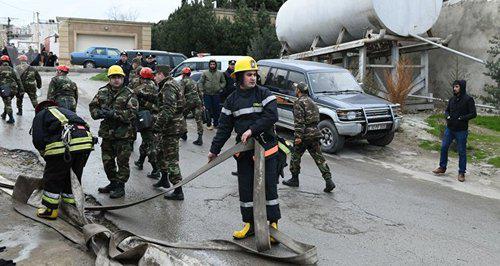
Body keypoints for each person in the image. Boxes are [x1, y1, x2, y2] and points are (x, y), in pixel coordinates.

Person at [208, 56, 280, 240]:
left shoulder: (264, 94)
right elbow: (224, 127)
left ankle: (273, 225)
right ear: (238, 77)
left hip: (267, 150)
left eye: (255, 74)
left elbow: (272, 116)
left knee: (269, 188)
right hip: (245, 153)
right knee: (246, 188)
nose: (253, 78)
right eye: (249, 75)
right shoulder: (232, 100)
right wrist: (214, 150)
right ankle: (250, 225)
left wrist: (251, 130)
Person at [32, 100, 94, 220]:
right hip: (85, 144)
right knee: (72, 177)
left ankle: (50, 210)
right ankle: (70, 206)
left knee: (53, 177)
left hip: (65, 145)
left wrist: (48, 157)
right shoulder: (66, 112)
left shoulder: (41, 115)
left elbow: (38, 139)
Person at [89, 65, 139, 198]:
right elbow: (93, 108)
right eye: (114, 77)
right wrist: (100, 113)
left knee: (122, 162)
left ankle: (120, 187)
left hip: (124, 135)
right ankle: (113, 182)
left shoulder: (129, 93)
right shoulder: (102, 91)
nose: (116, 80)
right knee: (107, 161)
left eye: (119, 77)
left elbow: (132, 114)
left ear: (123, 78)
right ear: (109, 78)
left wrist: (114, 114)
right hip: (107, 134)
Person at [282, 82, 335, 192]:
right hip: (315, 133)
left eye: (296, 89)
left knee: (295, 156)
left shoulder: (298, 103)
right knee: (319, 157)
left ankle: (294, 179)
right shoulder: (312, 102)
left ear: (299, 91)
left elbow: (299, 121)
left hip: (304, 135)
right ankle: (329, 180)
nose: (295, 91)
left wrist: (298, 137)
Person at [152, 66, 186, 200]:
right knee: (160, 152)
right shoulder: (172, 83)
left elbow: (168, 109)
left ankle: (178, 190)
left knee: (171, 159)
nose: (154, 77)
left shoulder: (168, 86)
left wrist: (157, 126)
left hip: (171, 128)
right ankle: (164, 178)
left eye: (156, 75)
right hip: (171, 126)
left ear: (161, 74)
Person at [433, 80, 477, 182]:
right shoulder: (452, 99)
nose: (454, 88)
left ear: (461, 87)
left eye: (456, 87)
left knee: (461, 151)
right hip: (450, 128)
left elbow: (473, 114)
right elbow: (447, 110)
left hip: (461, 130)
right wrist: (447, 116)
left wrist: (462, 118)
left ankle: (461, 173)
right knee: (444, 147)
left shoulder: (468, 99)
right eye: (454, 87)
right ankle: (442, 167)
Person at [133, 67, 160, 176]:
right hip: (155, 117)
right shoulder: (156, 86)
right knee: (146, 141)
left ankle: (155, 169)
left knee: (149, 143)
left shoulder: (139, 88)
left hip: (145, 118)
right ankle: (140, 161)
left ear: (141, 76)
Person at [180, 67, 204, 145]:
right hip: (197, 101)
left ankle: (184, 133)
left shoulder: (183, 81)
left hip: (188, 102)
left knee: (182, 116)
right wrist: (202, 103)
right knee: (198, 120)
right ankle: (200, 138)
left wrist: (181, 104)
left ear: (183, 74)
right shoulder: (194, 81)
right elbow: (200, 93)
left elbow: (181, 93)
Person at [199, 59, 226, 130]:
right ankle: (208, 123)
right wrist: (201, 90)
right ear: (209, 65)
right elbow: (201, 82)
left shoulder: (220, 73)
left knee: (216, 109)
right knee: (208, 109)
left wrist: (220, 87)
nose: (212, 66)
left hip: (216, 94)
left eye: (214, 64)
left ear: (215, 65)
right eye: (211, 64)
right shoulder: (205, 73)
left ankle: (216, 123)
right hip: (207, 94)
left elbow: (224, 82)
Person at [0, 55, 23, 124]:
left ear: (1, 61)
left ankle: (11, 118)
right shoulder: (12, 69)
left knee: (7, 103)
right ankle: (4, 114)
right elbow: (18, 80)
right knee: (7, 101)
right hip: (13, 88)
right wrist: (21, 89)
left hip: (5, 88)